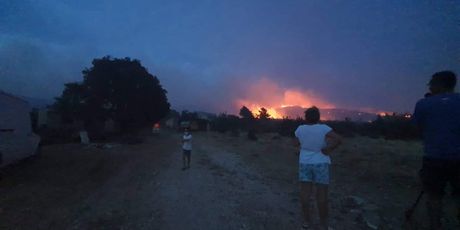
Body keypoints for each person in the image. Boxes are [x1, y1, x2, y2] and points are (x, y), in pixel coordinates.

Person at [412, 71, 460, 230]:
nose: (430, 87)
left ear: (438, 84)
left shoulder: (424, 104)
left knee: (434, 196)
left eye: (431, 84)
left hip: (434, 157)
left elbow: (416, 127)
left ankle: (435, 226)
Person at [294, 106, 342, 230]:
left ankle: (306, 222)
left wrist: (303, 146)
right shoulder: (323, 128)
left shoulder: (300, 129)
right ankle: (323, 225)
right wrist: (329, 149)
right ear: (318, 117)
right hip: (321, 163)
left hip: (305, 163)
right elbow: (338, 139)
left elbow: (296, 143)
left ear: (306, 117)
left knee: (305, 194)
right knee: (322, 196)